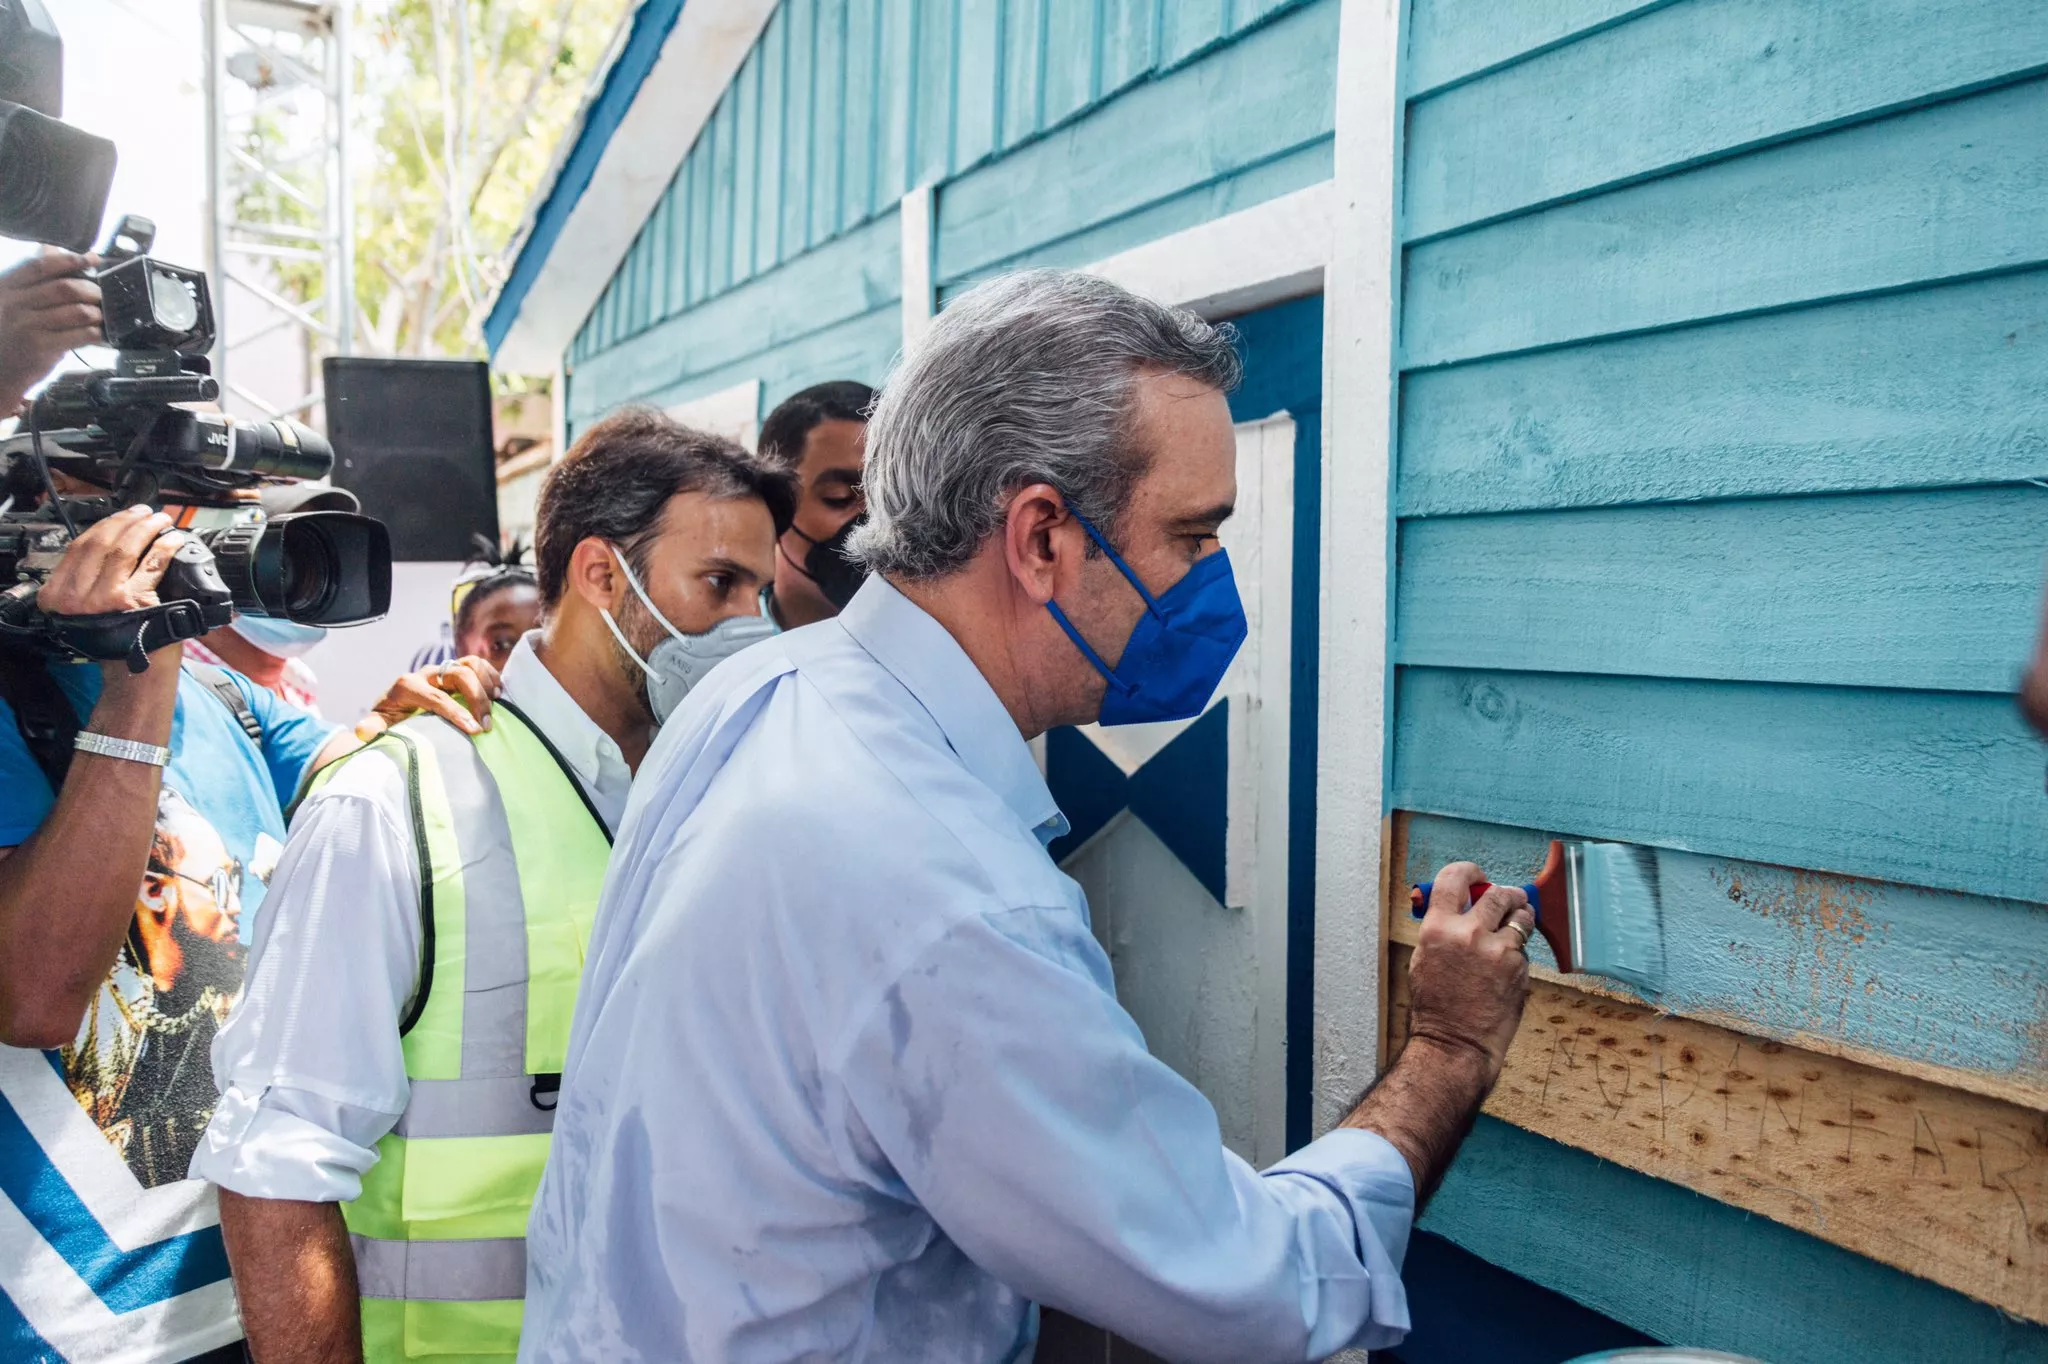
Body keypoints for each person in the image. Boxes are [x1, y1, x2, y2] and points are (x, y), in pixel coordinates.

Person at [518, 271, 1536, 1362]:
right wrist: (1448, 1045)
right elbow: (1256, 1287)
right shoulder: (945, 889)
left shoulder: (755, 694)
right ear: (1041, 536)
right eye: (1192, 537)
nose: (1212, 580)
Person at [195, 409, 794, 1363]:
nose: (745, 626)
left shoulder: (736, 790)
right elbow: (276, 1163)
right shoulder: (395, 798)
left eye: (758, 594)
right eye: (718, 583)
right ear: (603, 574)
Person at [0, 259, 504, 1364]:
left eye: (198, 508)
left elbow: (359, 800)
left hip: (251, 1285)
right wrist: (131, 679)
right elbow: (32, 992)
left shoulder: (225, 687)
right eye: (123, 499)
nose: (174, 534)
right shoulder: (41, 690)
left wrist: (416, 721)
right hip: (70, 1324)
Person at [184, 485, 364, 714]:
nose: (311, 578)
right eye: (285, 558)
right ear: (218, 566)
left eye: (314, 555)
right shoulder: (175, 687)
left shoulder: (298, 683)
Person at [757, 379, 874, 627]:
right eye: (840, 497)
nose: (875, 521)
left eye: (889, 497)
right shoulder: (732, 653)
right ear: (773, 508)